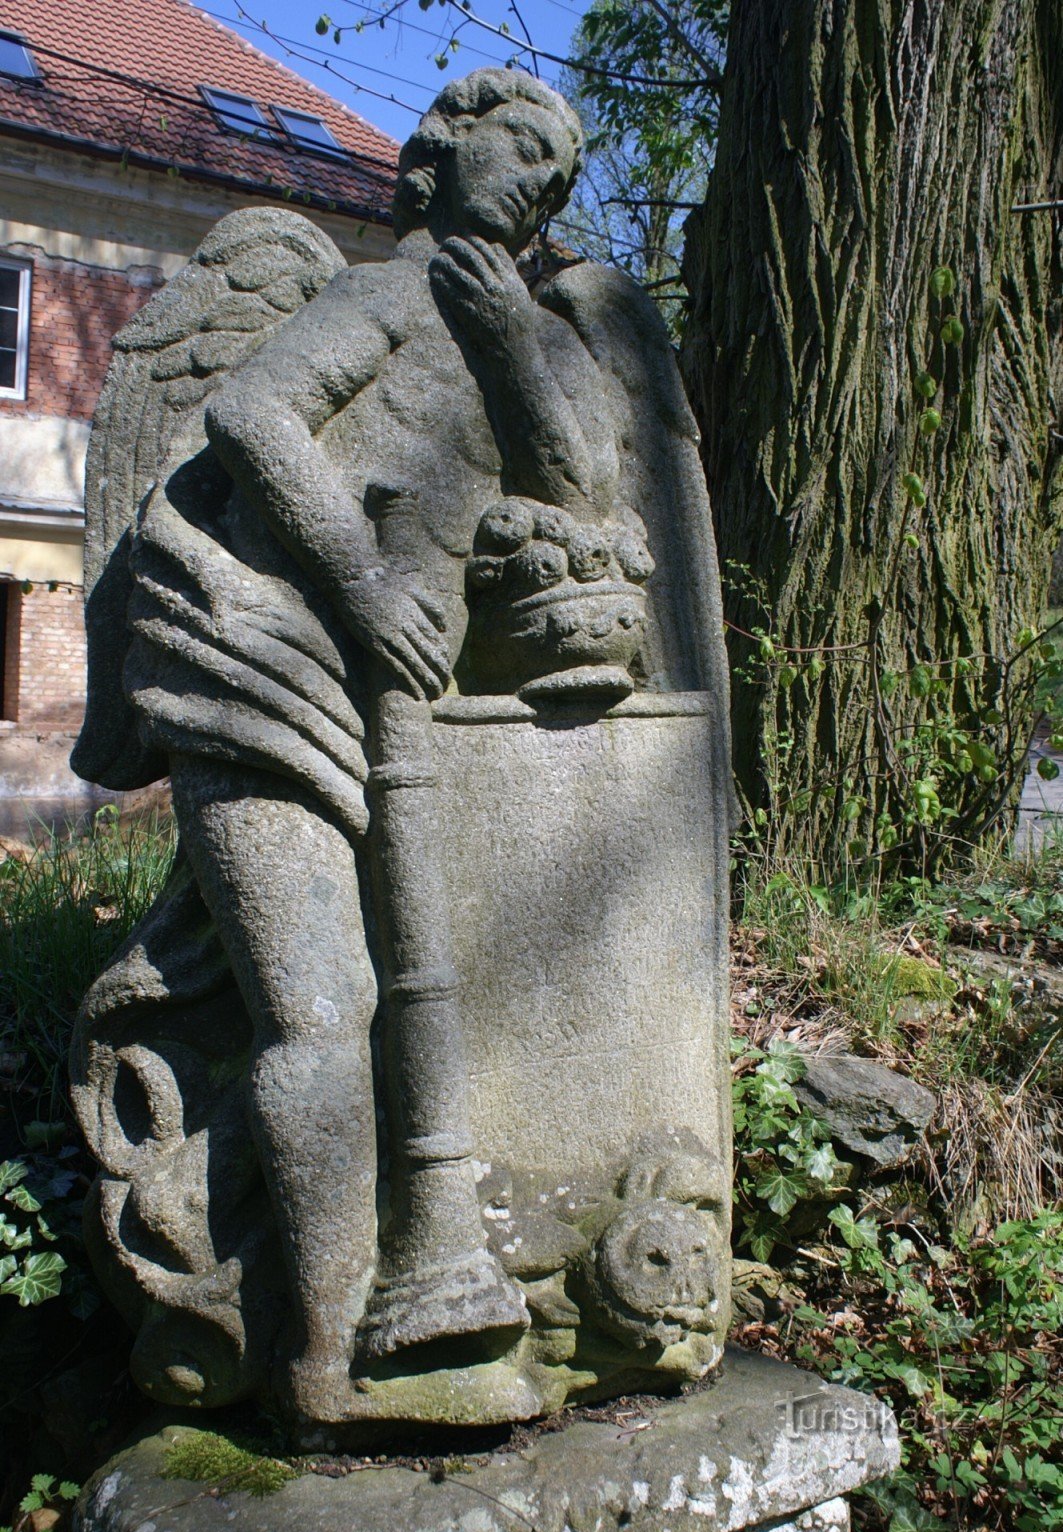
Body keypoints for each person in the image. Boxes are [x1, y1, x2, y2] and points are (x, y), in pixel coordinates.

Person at [90, 68, 626, 1420]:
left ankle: (369, 1293)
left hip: (404, 715)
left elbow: (583, 482)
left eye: (562, 173)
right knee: (322, 1008)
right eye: (522, 146)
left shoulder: (518, 328)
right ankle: (323, 1355)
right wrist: (362, 581)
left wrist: (512, 344)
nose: (542, 182)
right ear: (440, 154)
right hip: (260, 666)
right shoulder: (390, 291)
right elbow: (252, 414)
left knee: (384, 1005)